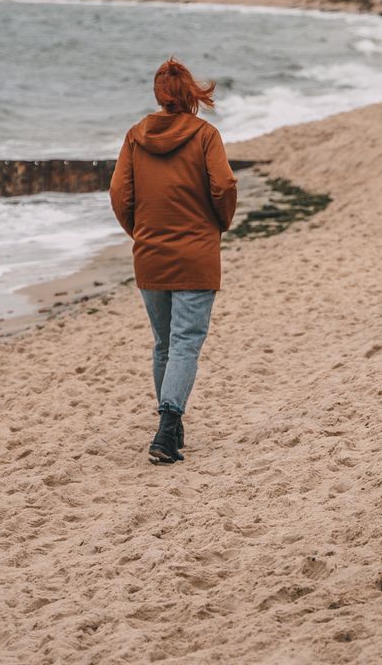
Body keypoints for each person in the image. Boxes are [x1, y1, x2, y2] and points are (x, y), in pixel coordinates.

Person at [109, 58, 238, 464]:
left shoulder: (134, 136)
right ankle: (168, 426)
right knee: (184, 343)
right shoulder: (205, 135)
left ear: (158, 94)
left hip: (150, 254)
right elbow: (225, 185)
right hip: (196, 253)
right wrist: (219, 224)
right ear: (190, 95)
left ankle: (171, 426)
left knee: (165, 343)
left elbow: (119, 195)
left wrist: (140, 232)